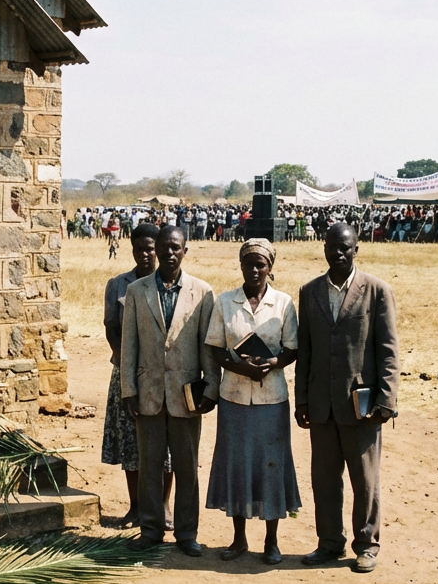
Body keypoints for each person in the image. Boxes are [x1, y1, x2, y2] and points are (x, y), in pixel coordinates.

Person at [294, 224, 400, 573]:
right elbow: (305, 351)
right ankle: (329, 543)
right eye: (331, 247)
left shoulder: (377, 291)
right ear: (323, 248)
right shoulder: (309, 293)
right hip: (321, 405)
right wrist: (303, 401)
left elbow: (388, 351)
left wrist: (386, 400)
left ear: (357, 249)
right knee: (324, 479)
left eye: (345, 248)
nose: (337, 253)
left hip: (362, 406)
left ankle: (366, 544)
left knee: (365, 480)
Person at [120, 226, 220, 556]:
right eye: (164, 246)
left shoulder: (202, 292)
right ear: (157, 249)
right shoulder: (136, 291)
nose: (169, 252)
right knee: (150, 464)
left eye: (176, 247)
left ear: (185, 250)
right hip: (148, 393)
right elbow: (128, 345)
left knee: (187, 465)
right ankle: (150, 529)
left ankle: (187, 533)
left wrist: (211, 389)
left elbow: (208, 345)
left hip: (187, 395)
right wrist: (129, 389)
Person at [204, 239, 302, 565]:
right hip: (233, 397)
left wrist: (273, 364)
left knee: (270, 468)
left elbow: (292, 348)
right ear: (241, 267)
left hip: (271, 399)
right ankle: (239, 539)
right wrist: (239, 367)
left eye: (261, 265)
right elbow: (216, 348)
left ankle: (272, 542)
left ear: (271, 268)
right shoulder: (224, 302)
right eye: (250, 264)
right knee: (238, 467)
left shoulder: (284, 304)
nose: (255, 270)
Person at [101, 224, 173, 528]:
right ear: (131, 250)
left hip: (163, 376)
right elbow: (111, 328)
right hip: (126, 375)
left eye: (151, 248)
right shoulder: (118, 285)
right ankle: (136, 507)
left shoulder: (169, 285)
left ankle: (164, 507)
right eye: (140, 249)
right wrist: (128, 364)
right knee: (131, 442)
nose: (146, 254)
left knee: (166, 444)